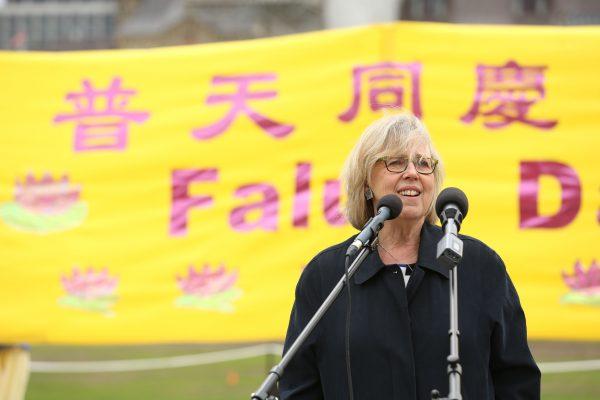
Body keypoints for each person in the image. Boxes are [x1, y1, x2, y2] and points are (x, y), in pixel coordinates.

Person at [279, 113, 540, 399]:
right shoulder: (327, 275)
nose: (413, 173)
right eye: (396, 161)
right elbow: (298, 388)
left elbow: (517, 383)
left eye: (423, 163)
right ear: (366, 182)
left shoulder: (478, 264)